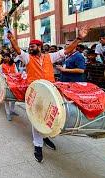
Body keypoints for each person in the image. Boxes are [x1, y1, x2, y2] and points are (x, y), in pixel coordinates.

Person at [7, 26, 89, 163]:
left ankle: (45, 137)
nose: (30, 48)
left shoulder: (50, 57)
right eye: (29, 46)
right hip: (35, 92)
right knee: (36, 118)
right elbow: (17, 49)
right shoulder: (27, 58)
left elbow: (67, 50)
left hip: (51, 91)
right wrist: (12, 39)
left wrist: (79, 38)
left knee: (50, 114)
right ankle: (38, 146)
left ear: (39, 47)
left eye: (32, 46)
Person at [0, 53, 19, 121]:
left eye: (6, 57)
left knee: (13, 97)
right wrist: (5, 77)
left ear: (9, 58)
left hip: (13, 83)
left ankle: (12, 111)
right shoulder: (2, 65)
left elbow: (17, 72)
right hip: (5, 83)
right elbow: (0, 74)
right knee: (6, 98)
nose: (5, 58)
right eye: (4, 57)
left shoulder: (14, 64)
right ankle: (8, 113)